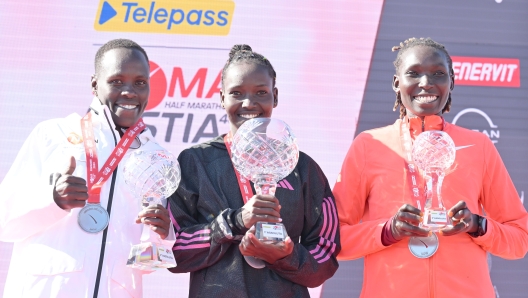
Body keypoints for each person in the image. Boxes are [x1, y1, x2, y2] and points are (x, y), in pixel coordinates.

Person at [333, 37, 528, 297]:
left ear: (451, 82)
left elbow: (519, 240)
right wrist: (388, 230)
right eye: (414, 74)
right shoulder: (369, 146)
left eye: (438, 74)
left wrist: (477, 225)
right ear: (396, 83)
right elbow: (333, 240)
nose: (426, 83)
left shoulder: (478, 145)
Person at [0, 39, 175, 297]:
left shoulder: (155, 157)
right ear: (94, 84)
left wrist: (162, 235)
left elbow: (148, 263)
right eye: (117, 81)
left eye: (140, 82)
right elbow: (5, 223)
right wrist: (53, 201)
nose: (129, 91)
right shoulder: (52, 135)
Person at [168, 44, 340, 297]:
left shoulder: (303, 168)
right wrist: (233, 222)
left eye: (261, 92)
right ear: (222, 97)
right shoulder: (195, 162)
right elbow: (174, 249)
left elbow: (325, 256)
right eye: (237, 93)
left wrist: (287, 255)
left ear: (275, 96)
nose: (249, 103)